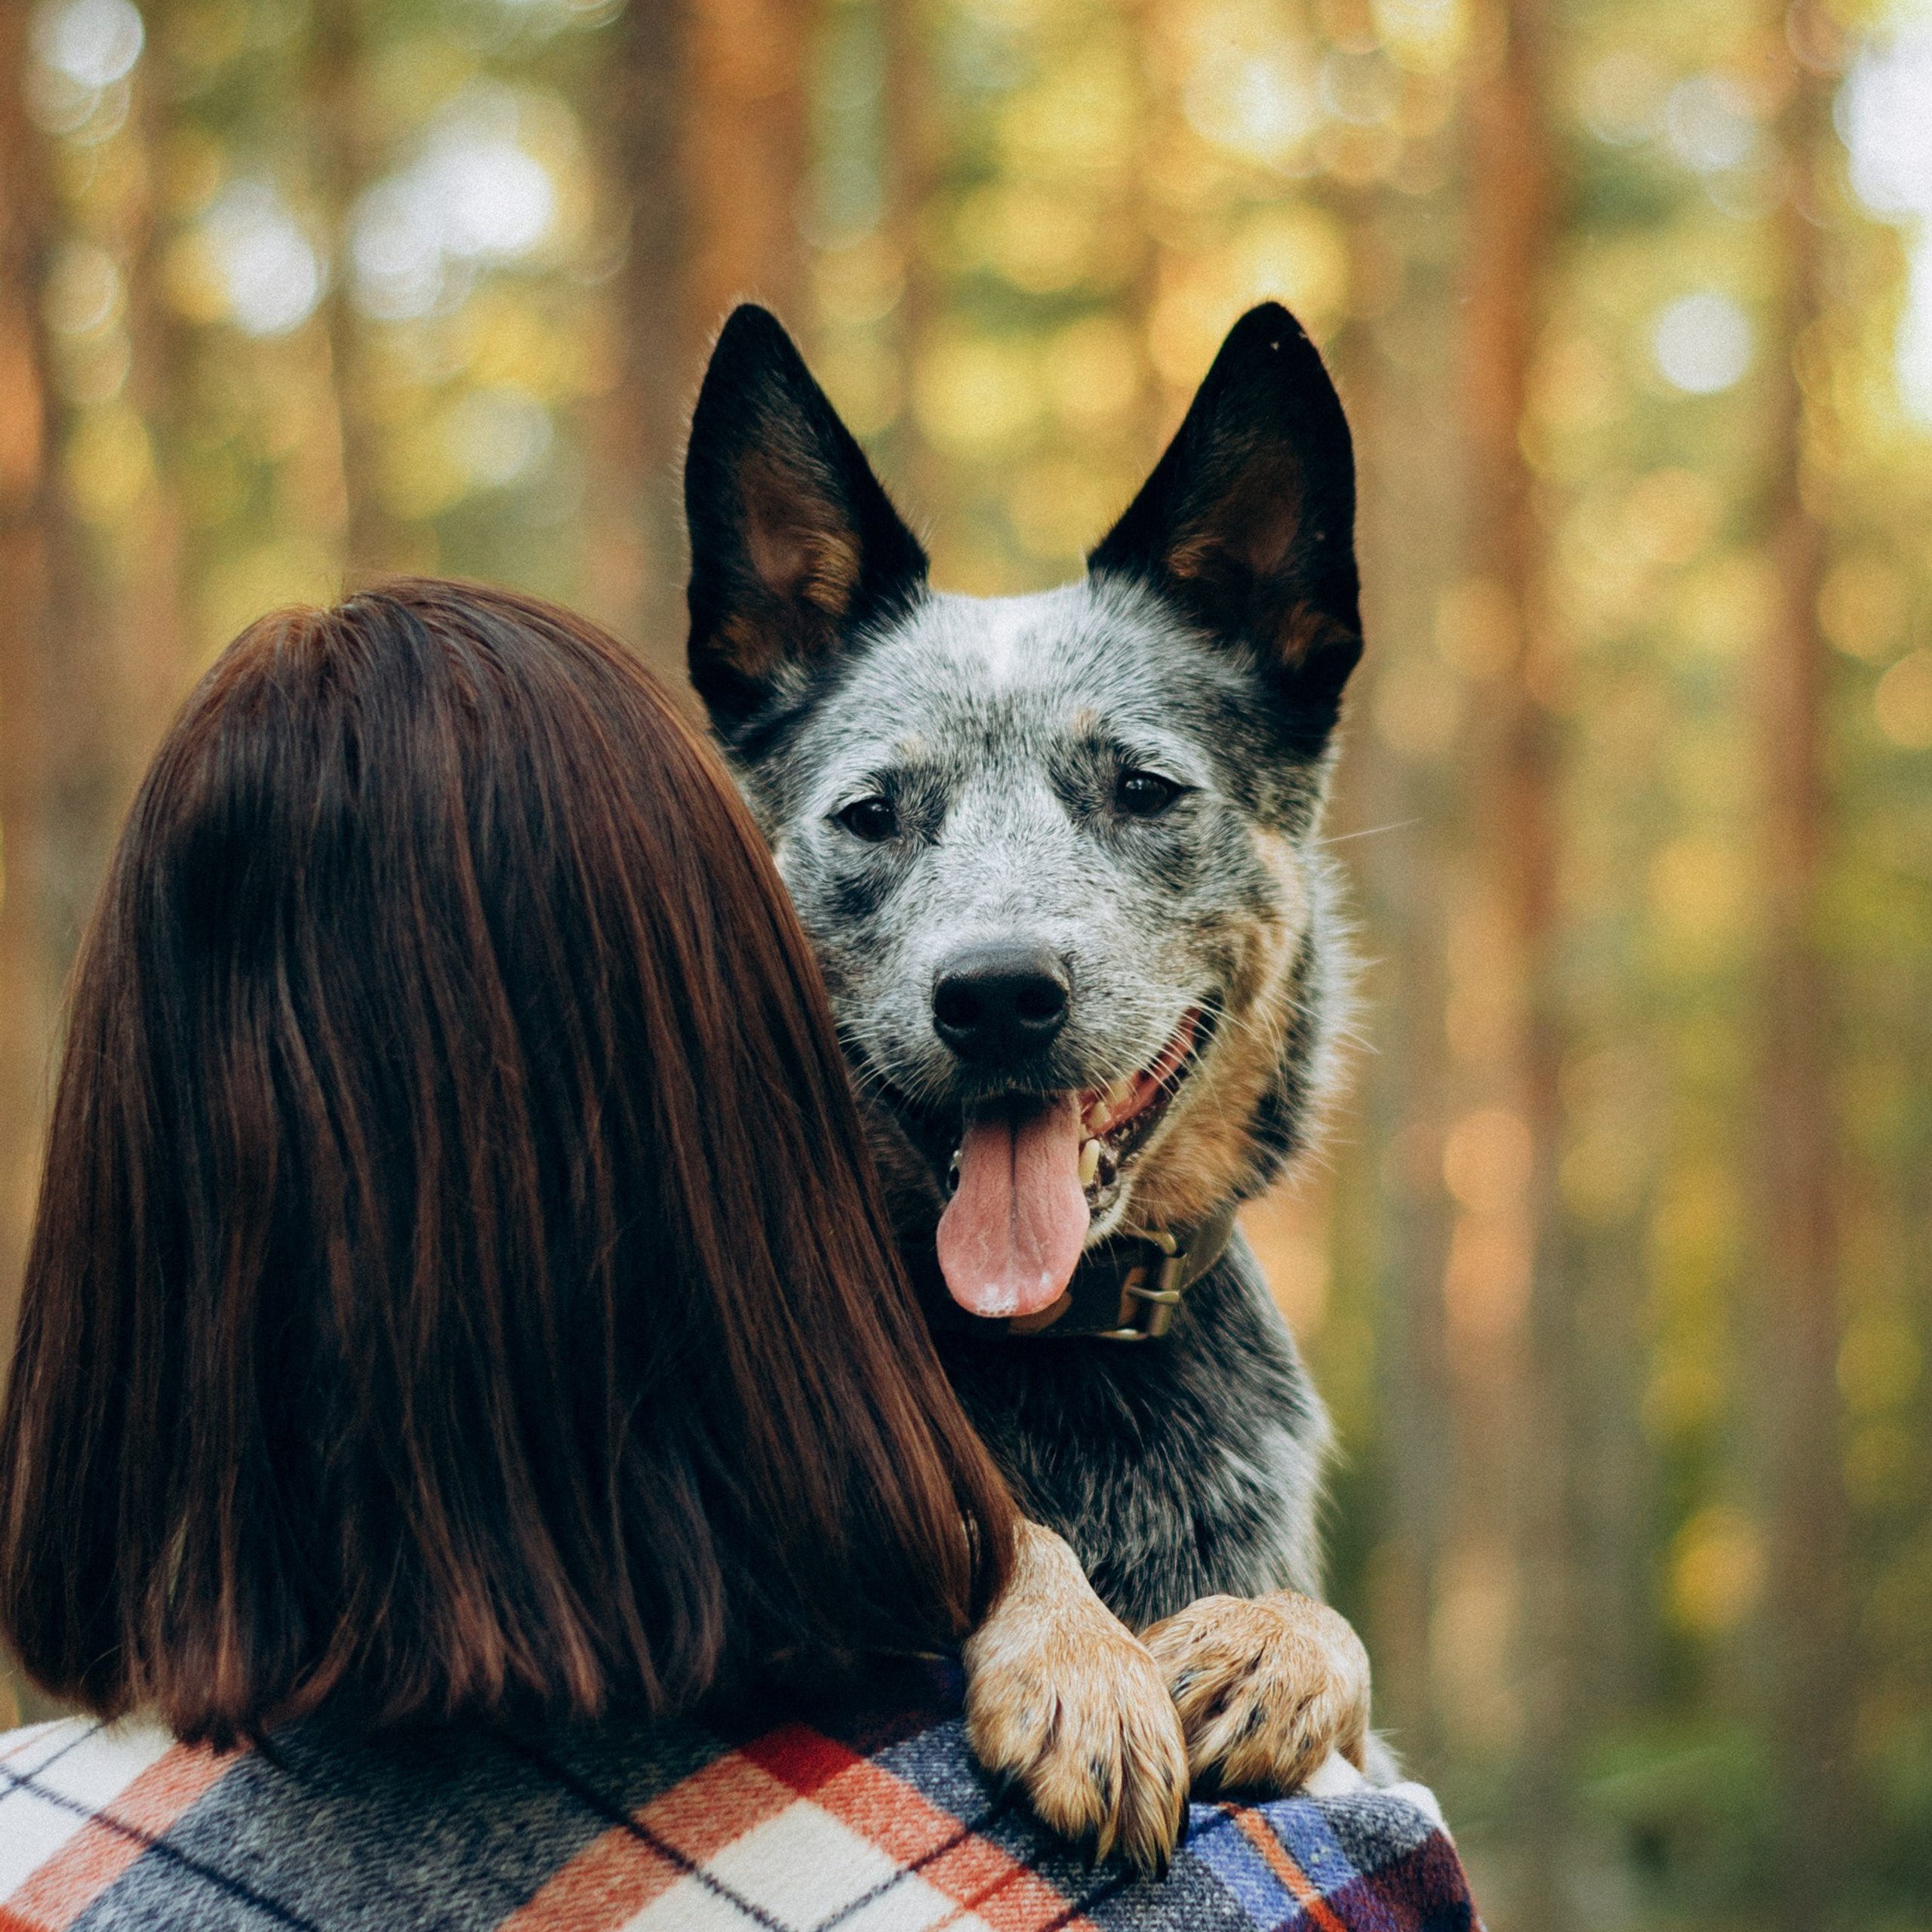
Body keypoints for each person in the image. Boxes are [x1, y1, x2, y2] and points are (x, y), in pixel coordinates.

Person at [0, 581, 1478, 1928]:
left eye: (1140, 793)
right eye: (869, 829)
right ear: (705, 1115)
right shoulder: (1262, 1881)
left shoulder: (32, 1851)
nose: (993, 936)